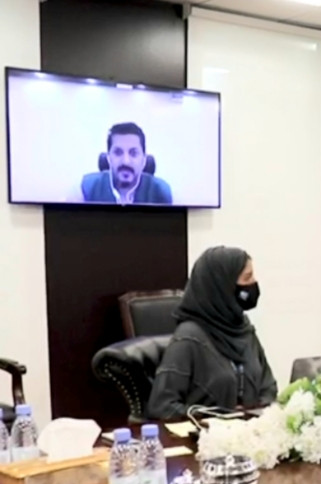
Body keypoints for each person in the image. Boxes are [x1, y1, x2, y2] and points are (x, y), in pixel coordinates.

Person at [147, 246, 276, 420]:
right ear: (223, 286)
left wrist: (258, 415)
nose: (254, 282)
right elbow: (162, 406)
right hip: (207, 433)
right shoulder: (188, 337)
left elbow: (268, 388)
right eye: (247, 277)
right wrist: (218, 418)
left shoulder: (243, 329)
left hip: (251, 432)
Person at [71, 122, 172, 205]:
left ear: (144, 160)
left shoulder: (162, 192)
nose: (125, 161)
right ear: (108, 158)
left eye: (133, 153)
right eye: (118, 152)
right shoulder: (84, 189)